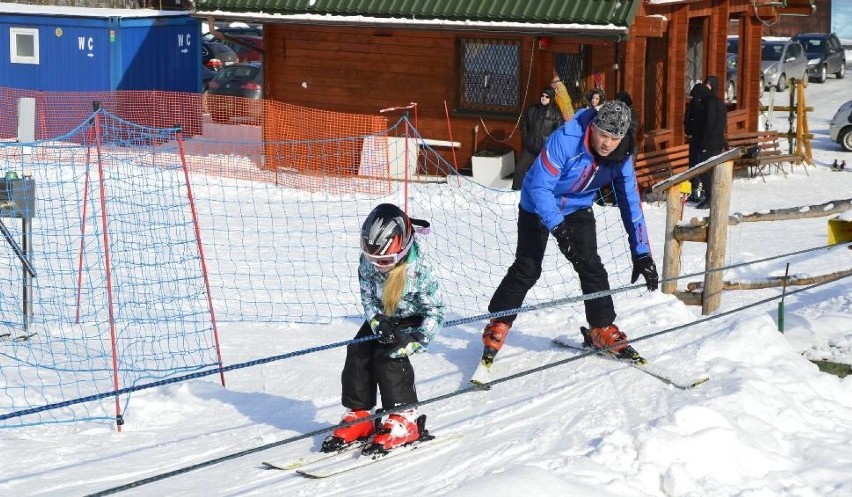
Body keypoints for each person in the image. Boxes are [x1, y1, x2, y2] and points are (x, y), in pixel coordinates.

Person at [481, 100, 659, 366]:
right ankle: (500, 321)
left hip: (577, 206)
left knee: (591, 265)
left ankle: (601, 328)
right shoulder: (565, 139)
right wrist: (558, 229)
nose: (607, 143)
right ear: (593, 127)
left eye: (614, 138)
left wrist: (642, 252)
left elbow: (630, 203)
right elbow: (541, 188)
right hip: (537, 203)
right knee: (528, 267)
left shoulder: (621, 156)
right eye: (603, 135)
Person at [322, 203, 445, 454]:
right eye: (373, 260)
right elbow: (367, 296)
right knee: (358, 351)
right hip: (383, 316)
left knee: (389, 356)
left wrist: (420, 337)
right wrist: (376, 320)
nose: (378, 266)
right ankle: (360, 415)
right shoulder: (370, 263)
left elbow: (436, 311)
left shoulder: (420, 271)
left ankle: (403, 419)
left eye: (386, 260)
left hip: (413, 319)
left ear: (402, 251)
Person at [512, 86, 564, 190]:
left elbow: (558, 135)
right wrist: (527, 138)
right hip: (530, 148)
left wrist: (550, 147)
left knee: (539, 175)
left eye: (547, 96)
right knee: (519, 169)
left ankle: (534, 196)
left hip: (544, 151)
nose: (544, 98)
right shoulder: (532, 109)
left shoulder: (556, 115)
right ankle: (515, 193)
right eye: (542, 95)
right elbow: (524, 124)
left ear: (551, 99)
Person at [694, 75, 728, 209]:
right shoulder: (718, 102)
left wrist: (704, 139)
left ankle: (710, 196)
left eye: (708, 85)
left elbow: (709, 123)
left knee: (704, 170)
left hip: (710, 142)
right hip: (717, 141)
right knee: (710, 170)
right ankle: (712, 196)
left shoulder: (711, 102)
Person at [684, 81, 711, 202]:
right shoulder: (703, 105)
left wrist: (689, 132)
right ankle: (699, 190)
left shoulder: (695, 104)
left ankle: (696, 190)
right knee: (699, 165)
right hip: (700, 140)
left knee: (695, 165)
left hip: (696, 140)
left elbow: (687, 120)